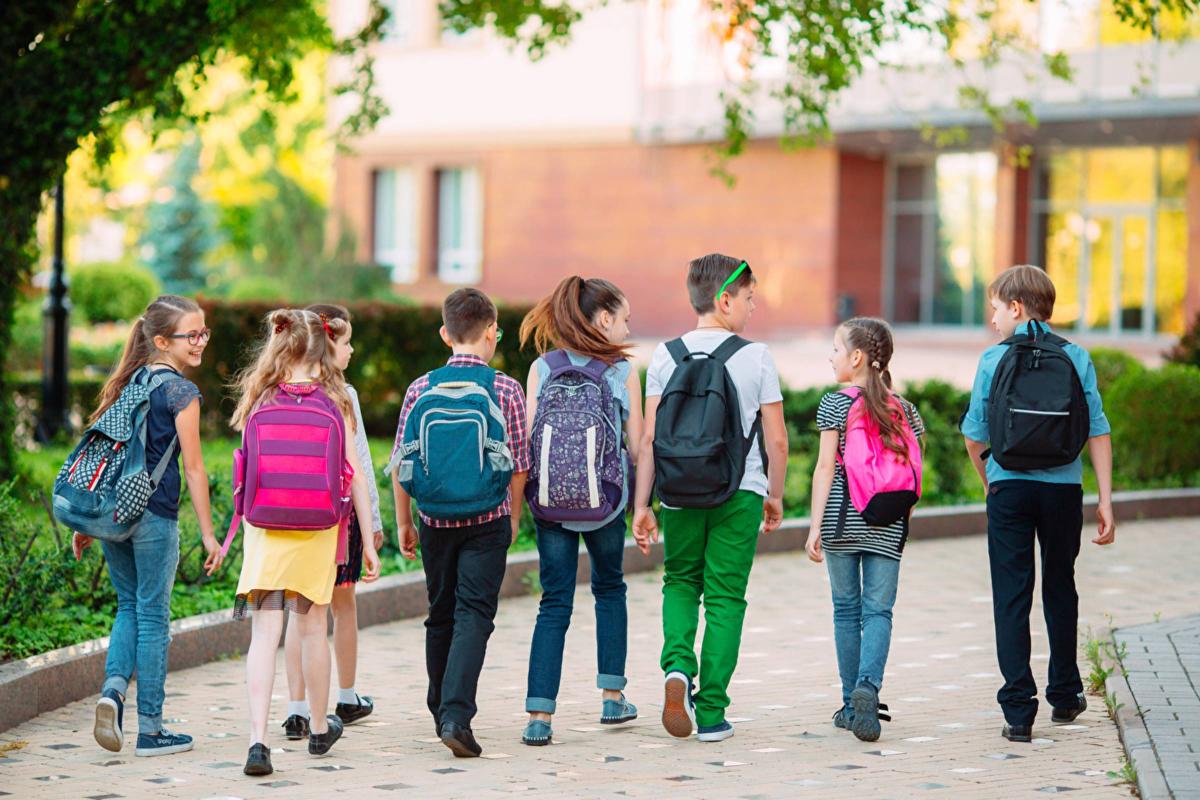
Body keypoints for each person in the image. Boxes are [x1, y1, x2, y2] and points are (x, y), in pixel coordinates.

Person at [632, 254, 789, 743]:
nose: (752, 307)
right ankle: (713, 711)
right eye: (747, 298)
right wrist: (775, 495)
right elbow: (778, 439)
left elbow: (650, 437)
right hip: (739, 492)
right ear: (724, 300)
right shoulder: (756, 356)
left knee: (680, 581)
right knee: (724, 598)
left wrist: (643, 505)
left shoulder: (664, 354)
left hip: (679, 492)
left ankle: (677, 669)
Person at [961, 264, 1115, 743]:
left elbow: (974, 433)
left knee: (1011, 593)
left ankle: (1018, 710)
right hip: (1063, 488)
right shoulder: (1076, 355)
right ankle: (1065, 695)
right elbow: (1097, 428)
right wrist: (1106, 501)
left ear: (1016, 307)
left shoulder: (993, 359)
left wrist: (991, 480)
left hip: (1009, 486)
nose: (992, 321)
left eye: (995, 310)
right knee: (1060, 586)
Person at [230, 309, 381, 776]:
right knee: (314, 629)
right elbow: (353, 477)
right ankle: (319, 727)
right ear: (321, 351)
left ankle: (258, 741)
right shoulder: (336, 402)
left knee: (265, 635)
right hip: (318, 530)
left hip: (265, 529)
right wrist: (369, 542)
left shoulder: (258, 396)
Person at [74, 294, 223, 757]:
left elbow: (102, 456)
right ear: (162, 341)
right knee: (154, 616)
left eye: (204, 333)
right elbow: (195, 469)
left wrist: (88, 521)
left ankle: (112, 693)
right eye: (191, 335)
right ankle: (152, 730)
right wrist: (208, 533)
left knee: (128, 607)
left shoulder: (127, 384)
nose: (200, 342)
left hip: (114, 514)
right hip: (155, 516)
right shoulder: (182, 393)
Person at [389, 288, 531, 758]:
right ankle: (456, 714)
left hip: (433, 518)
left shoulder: (419, 388)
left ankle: (439, 711)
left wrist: (404, 520)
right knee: (475, 614)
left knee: (441, 612)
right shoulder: (506, 388)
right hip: (487, 517)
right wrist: (511, 516)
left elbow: (401, 463)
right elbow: (519, 464)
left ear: (444, 334)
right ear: (492, 332)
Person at [517, 276, 643, 746]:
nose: (627, 326)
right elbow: (638, 445)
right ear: (605, 318)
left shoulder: (542, 368)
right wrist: (642, 500)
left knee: (554, 603)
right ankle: (613, 697)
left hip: (550, 505)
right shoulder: (622, 372)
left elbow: (529, 439)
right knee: (609, 589)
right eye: (624, 318)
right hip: (605, 503)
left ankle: (538, 716)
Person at [805, 317, 924, 742]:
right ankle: (867, 689)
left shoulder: (835, 403)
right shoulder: (905, 409)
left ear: (856, 358)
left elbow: (823, 468)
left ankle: (848, 703)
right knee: (878, 612)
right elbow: (912, 476)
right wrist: (901, 530)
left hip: (841, 520)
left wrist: (814, 525)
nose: (832, 356)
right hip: (888, 525)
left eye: (836, 349)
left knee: (846, 610)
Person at [280, 304, 384, 740]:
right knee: (342, 607)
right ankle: (346, 693)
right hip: (338, 516)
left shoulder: (279, 389)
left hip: (290, 515)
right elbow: (358, 463)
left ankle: (297, 707)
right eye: (346, 342)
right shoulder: (342, 395)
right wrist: (373, 522)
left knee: (296, 613)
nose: (352, 350)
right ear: (327, 344)